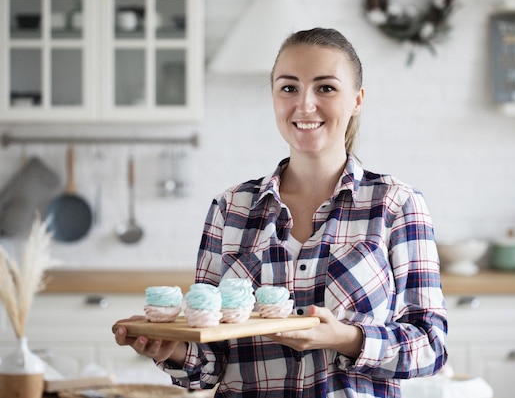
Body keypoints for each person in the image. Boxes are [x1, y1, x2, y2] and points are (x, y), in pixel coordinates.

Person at [114, 27, 448, 397]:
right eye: (289, 88)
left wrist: (347, 339)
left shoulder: (396, 205)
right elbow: (208, 362)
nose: (305, 105)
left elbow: (431, 346)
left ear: (357, 100)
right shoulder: (232, 208)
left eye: (325, 88)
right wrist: (172, 348)